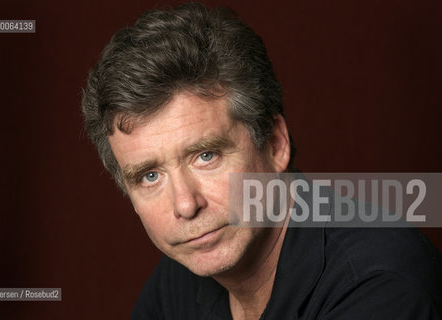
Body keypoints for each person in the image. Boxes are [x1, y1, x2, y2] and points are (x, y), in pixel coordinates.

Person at [81, 3, 442, 319]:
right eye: (149, 176)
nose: (186, 205)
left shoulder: (377, 285)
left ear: (274, 144)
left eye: (206, 156)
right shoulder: (179, 281)